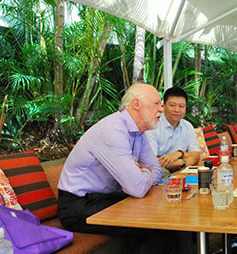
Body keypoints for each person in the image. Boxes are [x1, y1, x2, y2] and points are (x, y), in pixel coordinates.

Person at [57, 83, 175, 254]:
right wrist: (145, 172)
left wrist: (143, 173)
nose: (162, 110)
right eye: (157, 103)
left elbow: (156, 169)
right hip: (79, 206)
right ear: (136, 104)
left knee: (164, 216)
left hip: (107, 199)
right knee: (157, 226)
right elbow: (138, 188)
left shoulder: (138, 132)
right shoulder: (113, 131)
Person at [146, 87, 200, 174]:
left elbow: (196, 155)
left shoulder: (188, 126)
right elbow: (152, 162)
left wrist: (179, 154)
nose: (177, 110)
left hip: (182, 172)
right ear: (163, 106)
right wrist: (183, 162)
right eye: (172, 105)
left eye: (181, 106)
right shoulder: (153, 126)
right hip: (158, 173)